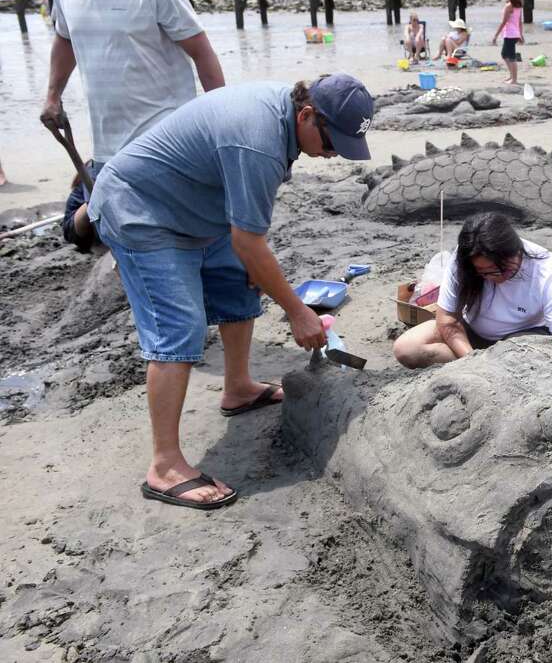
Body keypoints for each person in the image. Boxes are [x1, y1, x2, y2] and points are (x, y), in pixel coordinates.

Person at [87, 74, 374, 510]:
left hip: (199, 207)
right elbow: (249, 242)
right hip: (141, 210)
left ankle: (237, 388)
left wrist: (265, 278)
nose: (334, 154)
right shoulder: (257, 140)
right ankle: (164, 466)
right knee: (179, 327)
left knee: (239, 284)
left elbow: (246, 245)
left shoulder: (283, 119)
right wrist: (298, 312)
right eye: (334, 142)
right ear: (307, 115)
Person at [36, 0, 224, 254]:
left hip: (168, 142)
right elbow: (64, 39)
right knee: (120, 239)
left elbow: (202, 53)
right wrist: (52, 95)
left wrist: (221, 118)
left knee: (182, 237)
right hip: (108, 146)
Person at [393, 213, 552, 368]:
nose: (496, 277)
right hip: (472, 335)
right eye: (485, 273)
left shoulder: (545, 268)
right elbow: (447, 320)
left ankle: (502, 369)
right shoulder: (463, 261)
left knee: (522, 360)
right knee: (407, 348)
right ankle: (487, 368)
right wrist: (473, 361)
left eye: (504, 269)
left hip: (523, 339)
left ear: (517, 252)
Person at [493, 0, 524, 85]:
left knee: (511, 57)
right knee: (504, 54)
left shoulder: (509, 6)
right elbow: (520, 22)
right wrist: (520, 35)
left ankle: (514, 80)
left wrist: (496, 35)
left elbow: (504, 22)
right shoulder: (518, 6)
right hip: (514, 34)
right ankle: (512, 76)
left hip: (510, 34)